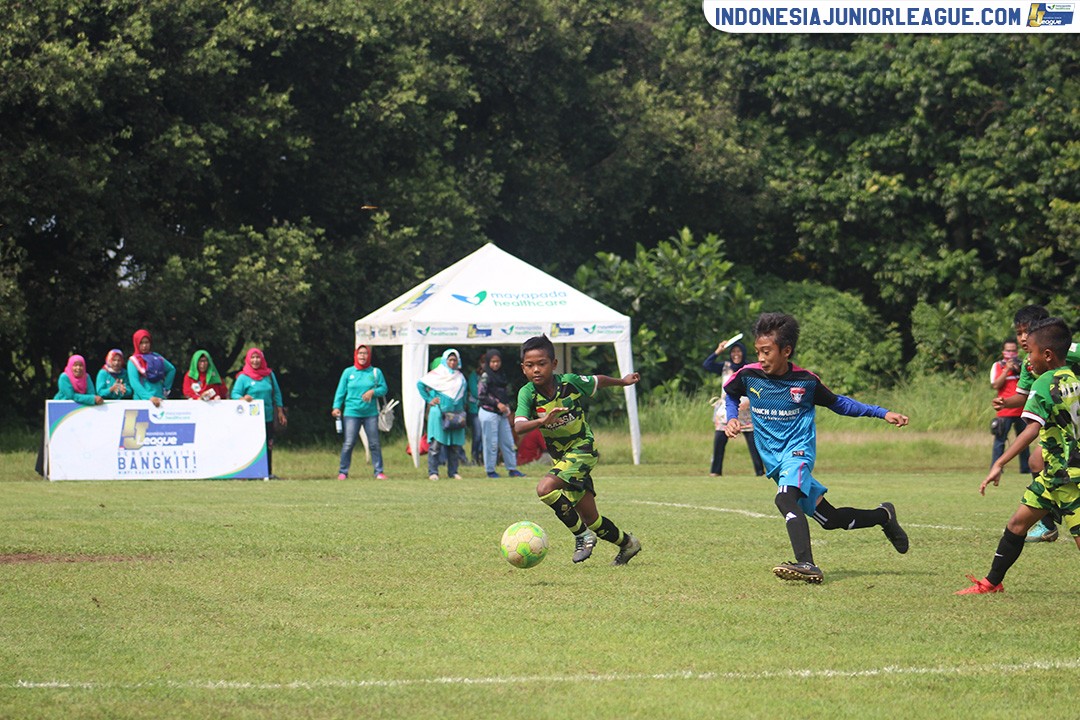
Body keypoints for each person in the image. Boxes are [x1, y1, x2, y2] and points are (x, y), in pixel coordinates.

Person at [722, 312, 909, 584]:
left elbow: (840, 404)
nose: (761, 358)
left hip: (798, 454)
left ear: (786, 351)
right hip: (775, 463)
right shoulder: (748, 375)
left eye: (766, 352)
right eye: (758, 352)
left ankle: (807, 564)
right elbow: (730, 394)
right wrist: (732, 418)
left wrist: (881, 413)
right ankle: (884, 515)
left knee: (784, 499)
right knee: (831, 519)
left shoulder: (806, 382)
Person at [956, 318, 1080, 595]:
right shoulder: (1074, 378)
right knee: (1016, 524)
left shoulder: (1044, 383)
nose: (1028, 359)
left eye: (1032, 353)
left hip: (1069, 478)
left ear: (1047, 355)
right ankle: (991, 583)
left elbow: (1031, 430)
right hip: (1052, 476)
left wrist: (999, 462)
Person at [513, 334, 643, 565]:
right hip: (562, 459)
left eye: (541, 364)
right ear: (522, 368)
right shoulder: (527, 393)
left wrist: (622, 382)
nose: (536, 370)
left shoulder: (570, 382)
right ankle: (628, 543)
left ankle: (582, 536)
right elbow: (519, 425)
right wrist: (542, 422)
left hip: (583, 448)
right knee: (592, 519)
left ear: (553, 364)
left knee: (545, 489)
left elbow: (597, 380)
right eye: (530, 365)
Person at [993, 304, 1080, 542]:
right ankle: (1047, 523)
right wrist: (1005, 401)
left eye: (1026, 331)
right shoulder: (1030, 361)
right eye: (1018, 332)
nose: (1022, 337)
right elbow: (1023, 395)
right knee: (1036, 460)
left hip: (1072, 421)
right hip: (1061, 426)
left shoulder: (1067, 351)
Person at [703, 339, 764, 477]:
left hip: (746, 409)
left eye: (739, 351)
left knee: (753, 442)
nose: (736, 354)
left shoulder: (749, 368)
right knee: (719, 440)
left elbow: (757, 387)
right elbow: (707, 365)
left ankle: (760, 471)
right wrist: (719, 350)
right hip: (726, 409)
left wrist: (749, 401)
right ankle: (715, 471)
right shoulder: (726, 366)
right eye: (733, 352)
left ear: (743, 352)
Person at [36, 355, 103, 475]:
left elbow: (92, 392)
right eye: (75, 365)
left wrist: (92, 398)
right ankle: (47, 470)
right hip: (60, 413)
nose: (78, 368)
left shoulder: (86, 377)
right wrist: (92, 399)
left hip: (79, 413)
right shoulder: (64, 377)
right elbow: (72, 396)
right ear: (70, 366)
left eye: (81, 365)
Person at [331, 345, 389, 480]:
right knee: (349, 442)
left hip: (370, 413)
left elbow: (384, 389)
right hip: (351, 412)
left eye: (365, 353)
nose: (362, 356)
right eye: (360, 353)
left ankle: (378, 471)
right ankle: (343, 472)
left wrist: (373, 392)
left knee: (374, 443)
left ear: (369, 356)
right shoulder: (348, 372)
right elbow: (341, 391)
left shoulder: (375, 372)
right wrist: (336, 406)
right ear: (355, 355)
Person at [231, 348, 286, 479]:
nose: (255, 360)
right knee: (250, 444)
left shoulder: (269, 375)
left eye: (258, 358)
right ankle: (249, 473)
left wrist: (280, 411)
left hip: (267, 416)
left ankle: (267, 473)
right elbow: (234, 394)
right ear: (248, 360)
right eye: (253, 358)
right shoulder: (243, 377)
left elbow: (276, 393)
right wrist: (243, 399)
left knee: (268, 444)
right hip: (250, 419)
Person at [417, 349, 467, 481]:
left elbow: (464, 395)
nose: (452, 362)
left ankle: (453, 472)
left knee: (455, 445)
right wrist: (429, 399)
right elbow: (420, 384)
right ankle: (433, 472)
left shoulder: (460, 377)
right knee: (436, 444)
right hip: (439, 412)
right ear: (445, 360)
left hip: (456, 414)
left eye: (454, 360)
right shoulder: (437, 374)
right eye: (450, 360)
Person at [478, 349, 526, 479]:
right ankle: (490, 470)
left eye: (498, 361)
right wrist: (497, 403)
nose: (495, 364)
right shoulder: (485, 376)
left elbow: (504, 394)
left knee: (508, 441)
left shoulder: (501, 375)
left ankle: (512, 469)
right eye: (493, 362)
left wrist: (506, 406)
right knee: (491, 443)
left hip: (502, 414)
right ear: (488, 362)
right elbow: (481, 395)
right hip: (489, 413)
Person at [989, 338, 1029, 473]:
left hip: (1022, 410)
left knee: (1024, 442)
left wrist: (1018, 370)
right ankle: (996, 468)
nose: (1011, 353)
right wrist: (1007, 370)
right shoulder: (998, 366)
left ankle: (1025, 469)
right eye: (1008, 351)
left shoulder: (1023, 365)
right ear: (1003, 352)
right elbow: (995, 385)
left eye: (1013, 351)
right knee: (1000, 441)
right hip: (1004, 410)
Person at [127, 329, 176, 407]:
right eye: (141, 343)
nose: (144, 346)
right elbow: (134, 383)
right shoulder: (133, 361)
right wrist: (149, 397)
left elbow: (171, 369)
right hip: (141, 402)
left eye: (147, 342)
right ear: (136, 343)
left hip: (160, 400)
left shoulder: (156, 357)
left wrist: (165, 388)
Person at [467, 358, 483, 466]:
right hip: (475, 410)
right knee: (477, 435)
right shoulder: (473, 375)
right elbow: (475, 392)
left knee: (486, 436)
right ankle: (474, 457)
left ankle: (483, 458)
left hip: (488, 410)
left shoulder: (490, 375)